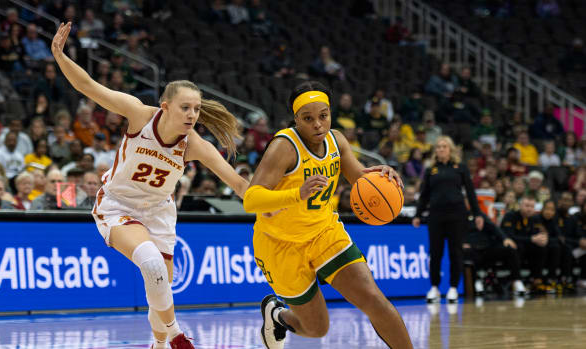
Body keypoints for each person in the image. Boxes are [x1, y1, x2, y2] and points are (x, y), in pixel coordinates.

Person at [52, 22, 249, 349]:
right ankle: (175, 334)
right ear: (166, 107)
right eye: (186, 107)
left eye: (197, 109)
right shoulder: (140, 115)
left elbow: (239, 184)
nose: (192, 115)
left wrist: (282, 199)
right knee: (152, 263)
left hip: (159, 212)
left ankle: (158, 343)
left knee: (160, 285)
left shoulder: (194, 145)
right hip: (117, 206)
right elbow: (88, 86)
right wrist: (60, 55)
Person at [243, 81, 412, 349]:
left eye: (323, 116)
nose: (318, 124)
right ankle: (277, 315)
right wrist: (297, 194)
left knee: (374, 299)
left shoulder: (337, 141)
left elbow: (360, 179)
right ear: (296, 119)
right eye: (308, 119)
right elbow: (251, 199)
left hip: (325, 233)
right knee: (316, 328)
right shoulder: (284, 146)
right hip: (281, 245)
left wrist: (381, 178)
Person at [413, 136, 483, 303]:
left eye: (444, 146)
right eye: (438, 147)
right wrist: (417, 214)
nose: (441, 149)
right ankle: (434, 288)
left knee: (455, 252)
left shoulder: (460, 168)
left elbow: (471, 193)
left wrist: (478, 214)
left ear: (450, 149)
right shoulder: (431, 170)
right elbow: (424, 195)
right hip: (436, 215)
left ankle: (453, 288)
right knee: (435, 253)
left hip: (457, 215)